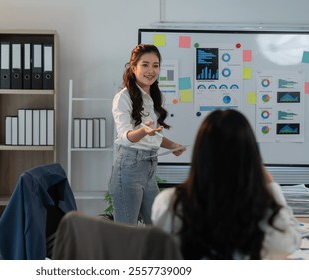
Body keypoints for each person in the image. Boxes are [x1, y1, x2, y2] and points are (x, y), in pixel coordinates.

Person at [152, 109, 302, 259]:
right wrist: (271, 186)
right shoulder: (262, 205)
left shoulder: (169, 201)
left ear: (200, 152)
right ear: (251, 155)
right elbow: (290, 244)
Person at [108, 44, 186, 226]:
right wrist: (143, 130)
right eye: (145, 65)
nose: (151, 70)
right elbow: (125, 137)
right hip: (129, 168)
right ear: (133, 67)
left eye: (155, 65)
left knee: (159, 228)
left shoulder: (152, 97)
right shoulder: (123, 97)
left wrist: (173, 146)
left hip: (148, 168)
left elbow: (153, 136)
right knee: (126, 234)